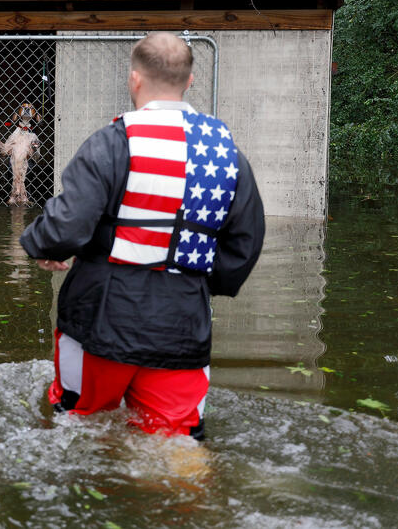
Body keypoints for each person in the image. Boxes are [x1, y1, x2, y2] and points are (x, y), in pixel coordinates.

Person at [19, 32, 265, 440]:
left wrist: (44, 245)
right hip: (183, 321)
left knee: (78, 426)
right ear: (189, 81)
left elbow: (67, 226)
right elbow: (246, 242)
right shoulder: (226, 153)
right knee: (176, 444)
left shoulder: (111, 143)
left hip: (101, 317)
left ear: (134, 79)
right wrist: (197, 283)